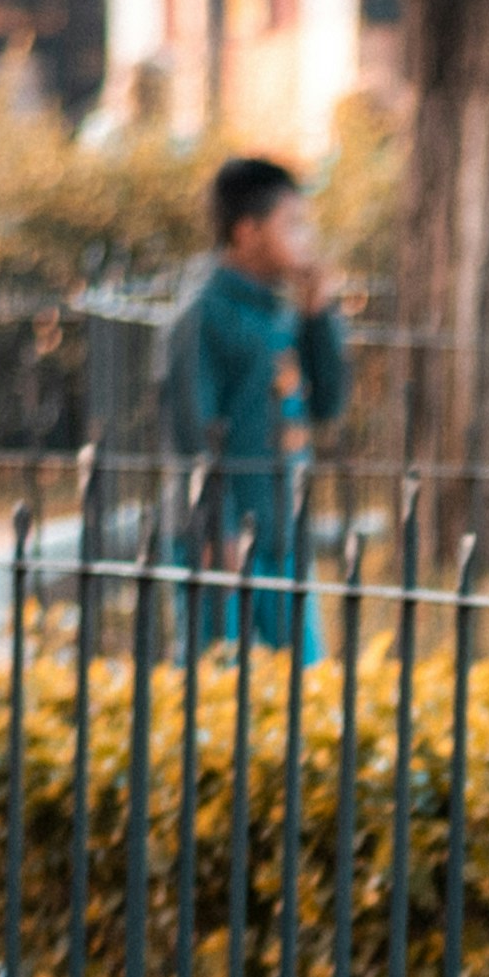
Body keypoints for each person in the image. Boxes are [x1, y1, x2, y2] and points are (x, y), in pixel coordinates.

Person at [164, 154, 348, 647]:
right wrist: (215, 532)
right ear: (247, 232)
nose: (305, 238)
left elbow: (327, 404)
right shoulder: (202, 315)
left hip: (282, 530)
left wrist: (318, 317)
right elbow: (194, 433)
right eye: (291, 225)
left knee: (301, 687)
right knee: (220, 688)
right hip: (223, 540)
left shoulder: (283, 310)